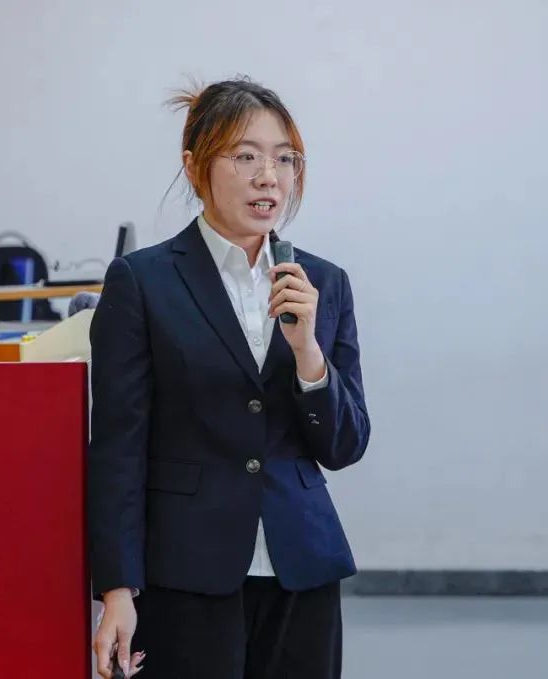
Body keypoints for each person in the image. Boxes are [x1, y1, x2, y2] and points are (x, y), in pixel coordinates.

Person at [88, 77, 371, 679]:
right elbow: (118, 447)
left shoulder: (323, 283)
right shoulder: (142, 281)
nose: (269, 177)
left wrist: (308, 353)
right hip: (186, 571)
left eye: (284, 159)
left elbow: (345, 445)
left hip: (302, 566)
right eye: (245, 156)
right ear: (195, 167)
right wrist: (116, 588)